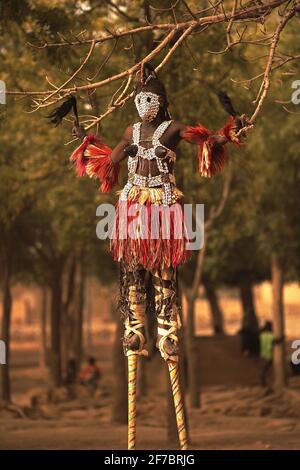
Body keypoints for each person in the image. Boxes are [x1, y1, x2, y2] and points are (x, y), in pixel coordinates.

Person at [52, 63, 244, 449]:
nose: (144, 105)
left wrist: (228, 132)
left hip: (163, 208)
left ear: (161, 102)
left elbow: (205, 143)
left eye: (150, 99)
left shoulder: (173, 130)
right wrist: (85, 143)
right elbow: (109, 162)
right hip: (132, 209)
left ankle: (167, 333)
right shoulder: (130, 132)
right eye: (140, 99)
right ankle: (136, 330)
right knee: (131, 278)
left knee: (163, 278)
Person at [259, 321, 274, 387]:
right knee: (266, 369)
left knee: (264, 369)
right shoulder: (270, 335)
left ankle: (263, 382)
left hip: (263, 353)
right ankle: (263, 382)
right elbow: (275, 342)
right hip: (269, 354)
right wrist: (282, 338)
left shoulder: (262, 335)